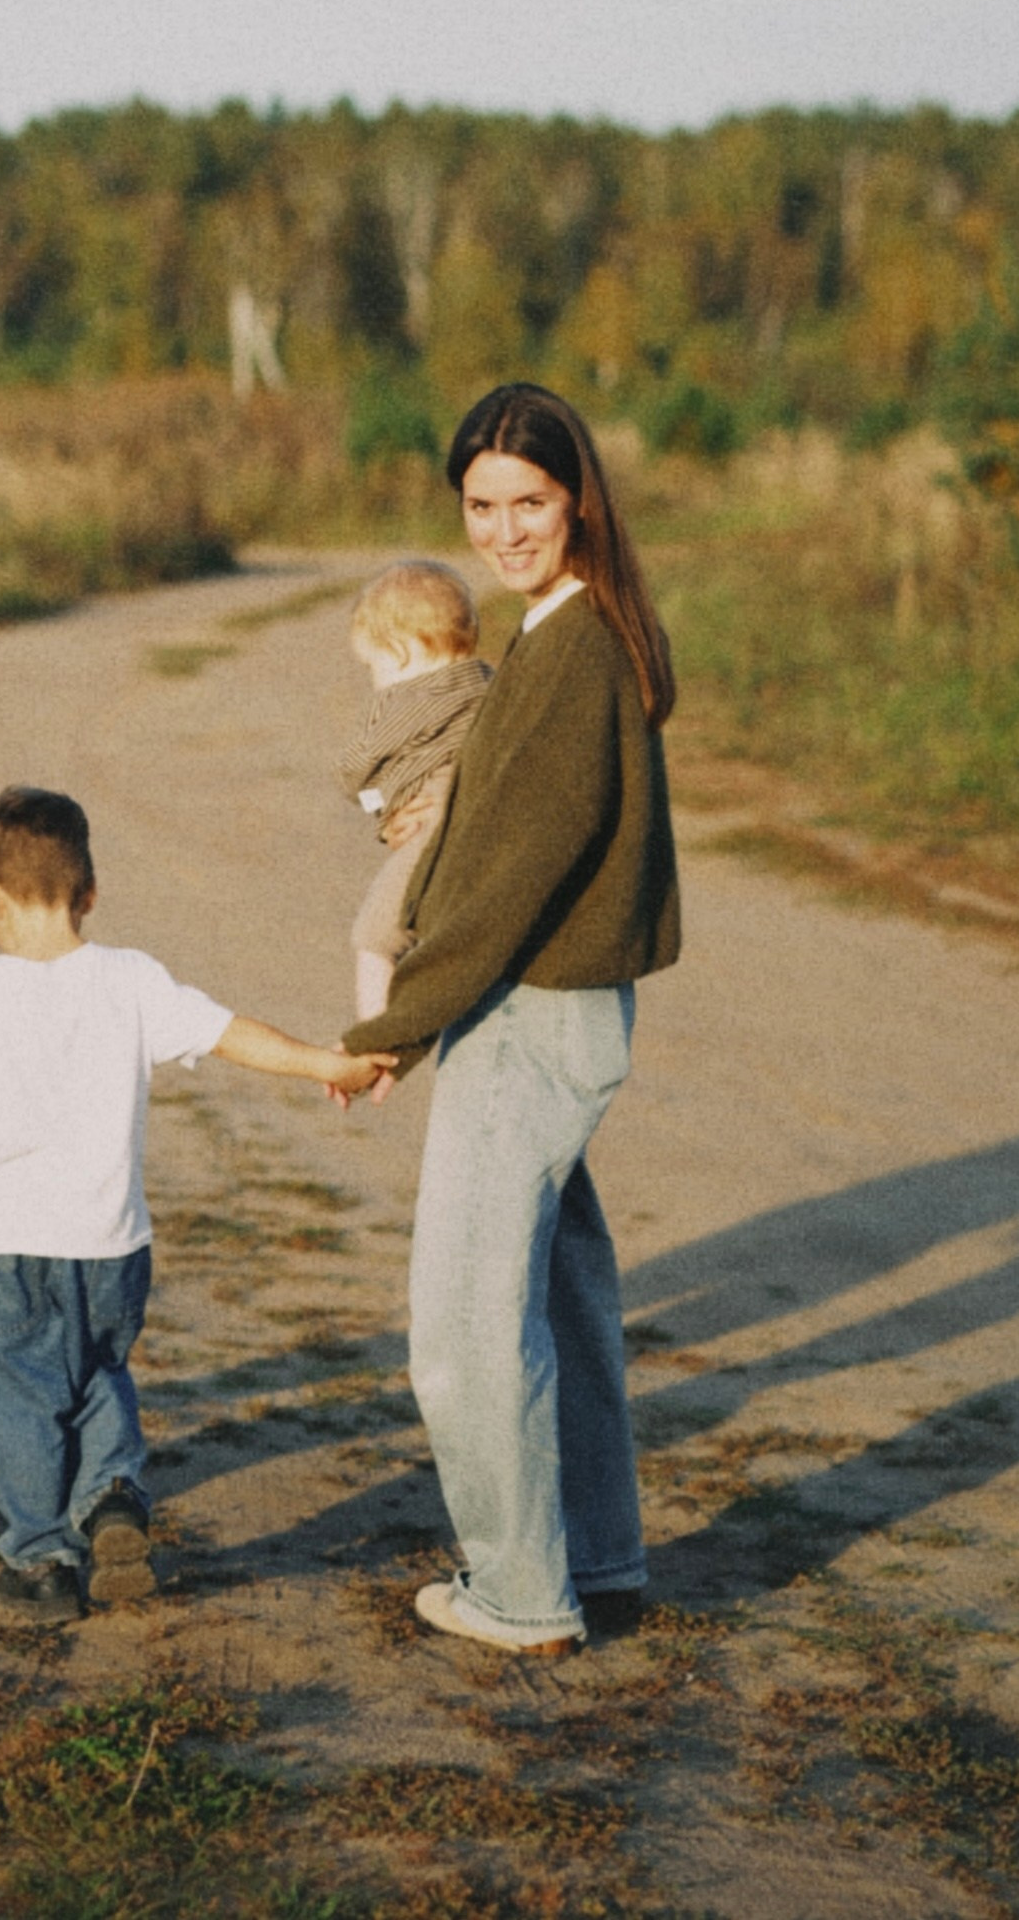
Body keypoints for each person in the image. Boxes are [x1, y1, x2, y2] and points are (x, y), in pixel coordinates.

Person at [0, 785, 379, 1623]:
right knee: (97, 1375)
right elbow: (231, 1033)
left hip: (3, 1245)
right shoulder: (132, 979)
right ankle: (112, 1492)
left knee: (20, 1394)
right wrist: (326, 1065)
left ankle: (42, 1559)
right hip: (111, 1240)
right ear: (89, 893)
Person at [344, 383, 680, 1658]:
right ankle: (593, 1562)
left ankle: (518, 1592)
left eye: (526, 502)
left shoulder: (572, 645)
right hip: (554, 1011)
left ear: (574, 495)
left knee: (465, 1327)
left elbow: (509, 879)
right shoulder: (562, 629)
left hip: (531, 1014)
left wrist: (387, 1031)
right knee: (557, 1299)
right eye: (479, 506)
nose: (500, 529)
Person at [337, 560, 492, 1020]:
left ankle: (375, 1031)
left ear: (402, 650)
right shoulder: (490, 683)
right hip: (483, 828)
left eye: (373, 666)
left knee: (376, 937)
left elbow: (354, 771)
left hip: (430, 829)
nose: (374, 681)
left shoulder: (405, 700)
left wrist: (377, 807)